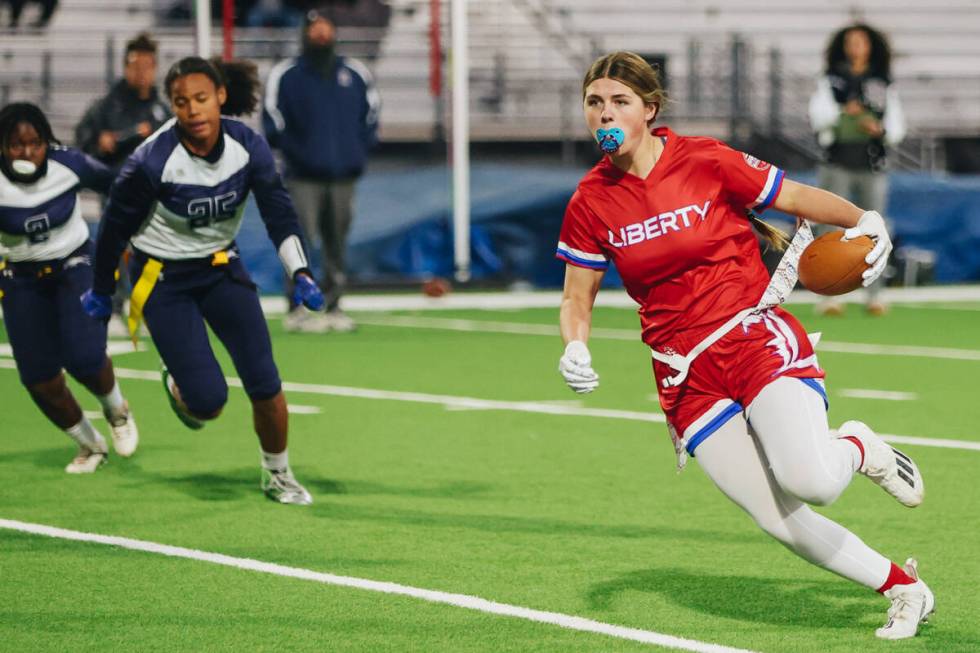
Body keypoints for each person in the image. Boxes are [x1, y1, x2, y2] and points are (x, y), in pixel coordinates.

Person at [556, 52, 933, 640]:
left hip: (750, 336)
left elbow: (796, 195)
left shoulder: (703, 158)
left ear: (649, 111)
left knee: (812, 481)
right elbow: (577, 297)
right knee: (777, 517)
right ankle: (903, 588)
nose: (604, 113)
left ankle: (858, 446)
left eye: (619, 102)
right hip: (683, 375)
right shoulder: (590, 200)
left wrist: (865, 218)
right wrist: (574, 346)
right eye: (594, 103)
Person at [80, 56, 325, 506]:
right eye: (181, 102)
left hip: (220, 268)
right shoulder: (152, 161)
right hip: (163, 279)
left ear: (220, 97)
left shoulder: (247, 145)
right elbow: (113, 229)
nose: (192, 110)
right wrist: (101, 291)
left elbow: (279, 213)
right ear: (170, 106)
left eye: (201, 99)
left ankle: (278, 474)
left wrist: (301, 272)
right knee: (208, 403)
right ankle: (179, 380)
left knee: (265, 381)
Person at [0, 103, 139, 472]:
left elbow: (119, 185)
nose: (27, 152)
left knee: (85, 356)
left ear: (48, 142)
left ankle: (117, 410)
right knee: (38, 377)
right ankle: (89, 444)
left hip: (73, 265)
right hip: (20, 276)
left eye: (35, 143)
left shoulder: (70, 164)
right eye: (16, 145)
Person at [262, 7, 380, 333]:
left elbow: (371, 116)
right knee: (300, 240)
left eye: (326, 27)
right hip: (302, 176)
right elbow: (271, 118)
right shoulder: (287, 75)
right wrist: (296, 153)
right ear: (305, 32)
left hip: (343, 175)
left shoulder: (354, 73)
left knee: (337, 242)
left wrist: (355, 153)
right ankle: (297, 305)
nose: (321, 33)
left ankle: (334, 304)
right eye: (315, 28)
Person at [75, 32, 171, 336]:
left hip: (156, 196)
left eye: (147, 65)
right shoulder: (106, 107)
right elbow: (83, 142)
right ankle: (114, 306)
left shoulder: (163, 110)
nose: (141, 71)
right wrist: (101, 142)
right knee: (113, 250)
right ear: (125, 66)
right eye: (134, 64)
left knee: (156, 254)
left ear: (155, 67)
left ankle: (153, 308)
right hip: (117, 192)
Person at [808, 23, 906, 316]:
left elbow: (897, 125)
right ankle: (830, 293)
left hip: (871, 162)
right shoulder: (832, 79)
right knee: (831, 224)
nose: (856, 48)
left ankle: (875, 294)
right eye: (851, 42)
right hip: (837, 160)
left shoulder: (882, 81)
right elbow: (818, 115)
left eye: (861, 42)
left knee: (877, 225)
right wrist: (841, 114)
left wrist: (879, 128)